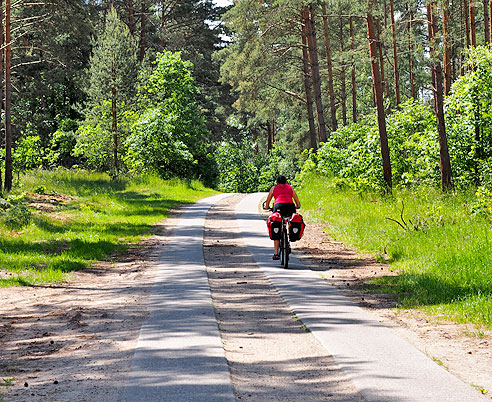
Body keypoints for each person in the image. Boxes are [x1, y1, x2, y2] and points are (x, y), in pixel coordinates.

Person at [263, 175, 301, 260]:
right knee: (290, 220)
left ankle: (276, 254)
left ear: (277, 182)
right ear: (286, 181)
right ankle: (289, 237)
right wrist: (297, 206)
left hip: (278, 206)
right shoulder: (290, 188)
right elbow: (297, 201)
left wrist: (267, 207)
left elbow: (268, 201)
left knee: (276, 224)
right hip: (290, 207)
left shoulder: (273, 188)